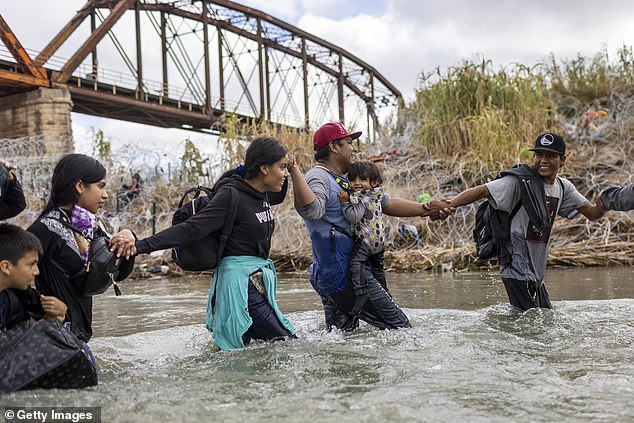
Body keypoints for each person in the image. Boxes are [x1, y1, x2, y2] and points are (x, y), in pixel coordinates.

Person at [111, 137, 298, 351]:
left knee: (240, 352)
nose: (285, 173)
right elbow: (192, 228)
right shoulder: (231, 195)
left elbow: (281, 195)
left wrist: (292, 170)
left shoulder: (263, 193)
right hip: (239, 287)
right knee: (287, 346)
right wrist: (139, 246)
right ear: (264, 168)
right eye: (282, 167)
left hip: (256, 281)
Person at [291, 121, 452, 332]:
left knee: (343, 337)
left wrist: (425, 208)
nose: (354, 148)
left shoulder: (347, 180)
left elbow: (383, 202)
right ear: (333, 147)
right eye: (349, 142)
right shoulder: (318, 177)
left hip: (334, 273)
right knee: (401, 328)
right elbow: (312, 210)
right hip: (345, 274)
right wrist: (295, 172)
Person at [432, 133, 607, 310]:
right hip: (515, 267)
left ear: (563, 159)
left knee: (542, 320)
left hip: (536, 273)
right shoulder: (518, 181)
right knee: (531, 326)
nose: (543, 160)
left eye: (550, 156)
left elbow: (592, 213)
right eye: (539, 155)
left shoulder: (563, 187)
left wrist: (608, 201)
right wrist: (449, 204)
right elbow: (482, 191)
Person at [27, 154, 136, 364]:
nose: (105, 195)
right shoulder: (45, 228)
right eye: (100, 186)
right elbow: (10, 273)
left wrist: (129, 238)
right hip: (54, 338)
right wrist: (39, 310)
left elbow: (118, 273)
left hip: (78, 337)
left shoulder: (93, 226)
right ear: (79, 186)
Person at [338, 161, 389, 310]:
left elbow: (354, 216)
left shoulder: (360, 197)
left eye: (362, 179)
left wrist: (345, 203)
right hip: (380, 240)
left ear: (374, 182)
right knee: (378, 269)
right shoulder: (377, 194)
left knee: (355, 264)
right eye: (353, 180)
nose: (357, 183)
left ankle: (361, 293)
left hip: (366, 239)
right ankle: (385, 293)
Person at [0, 223, 67, 331]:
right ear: (6, 267)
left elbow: (19, 338)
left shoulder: (9, 299)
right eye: (31, 264)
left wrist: (50, 319)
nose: (37, 272)